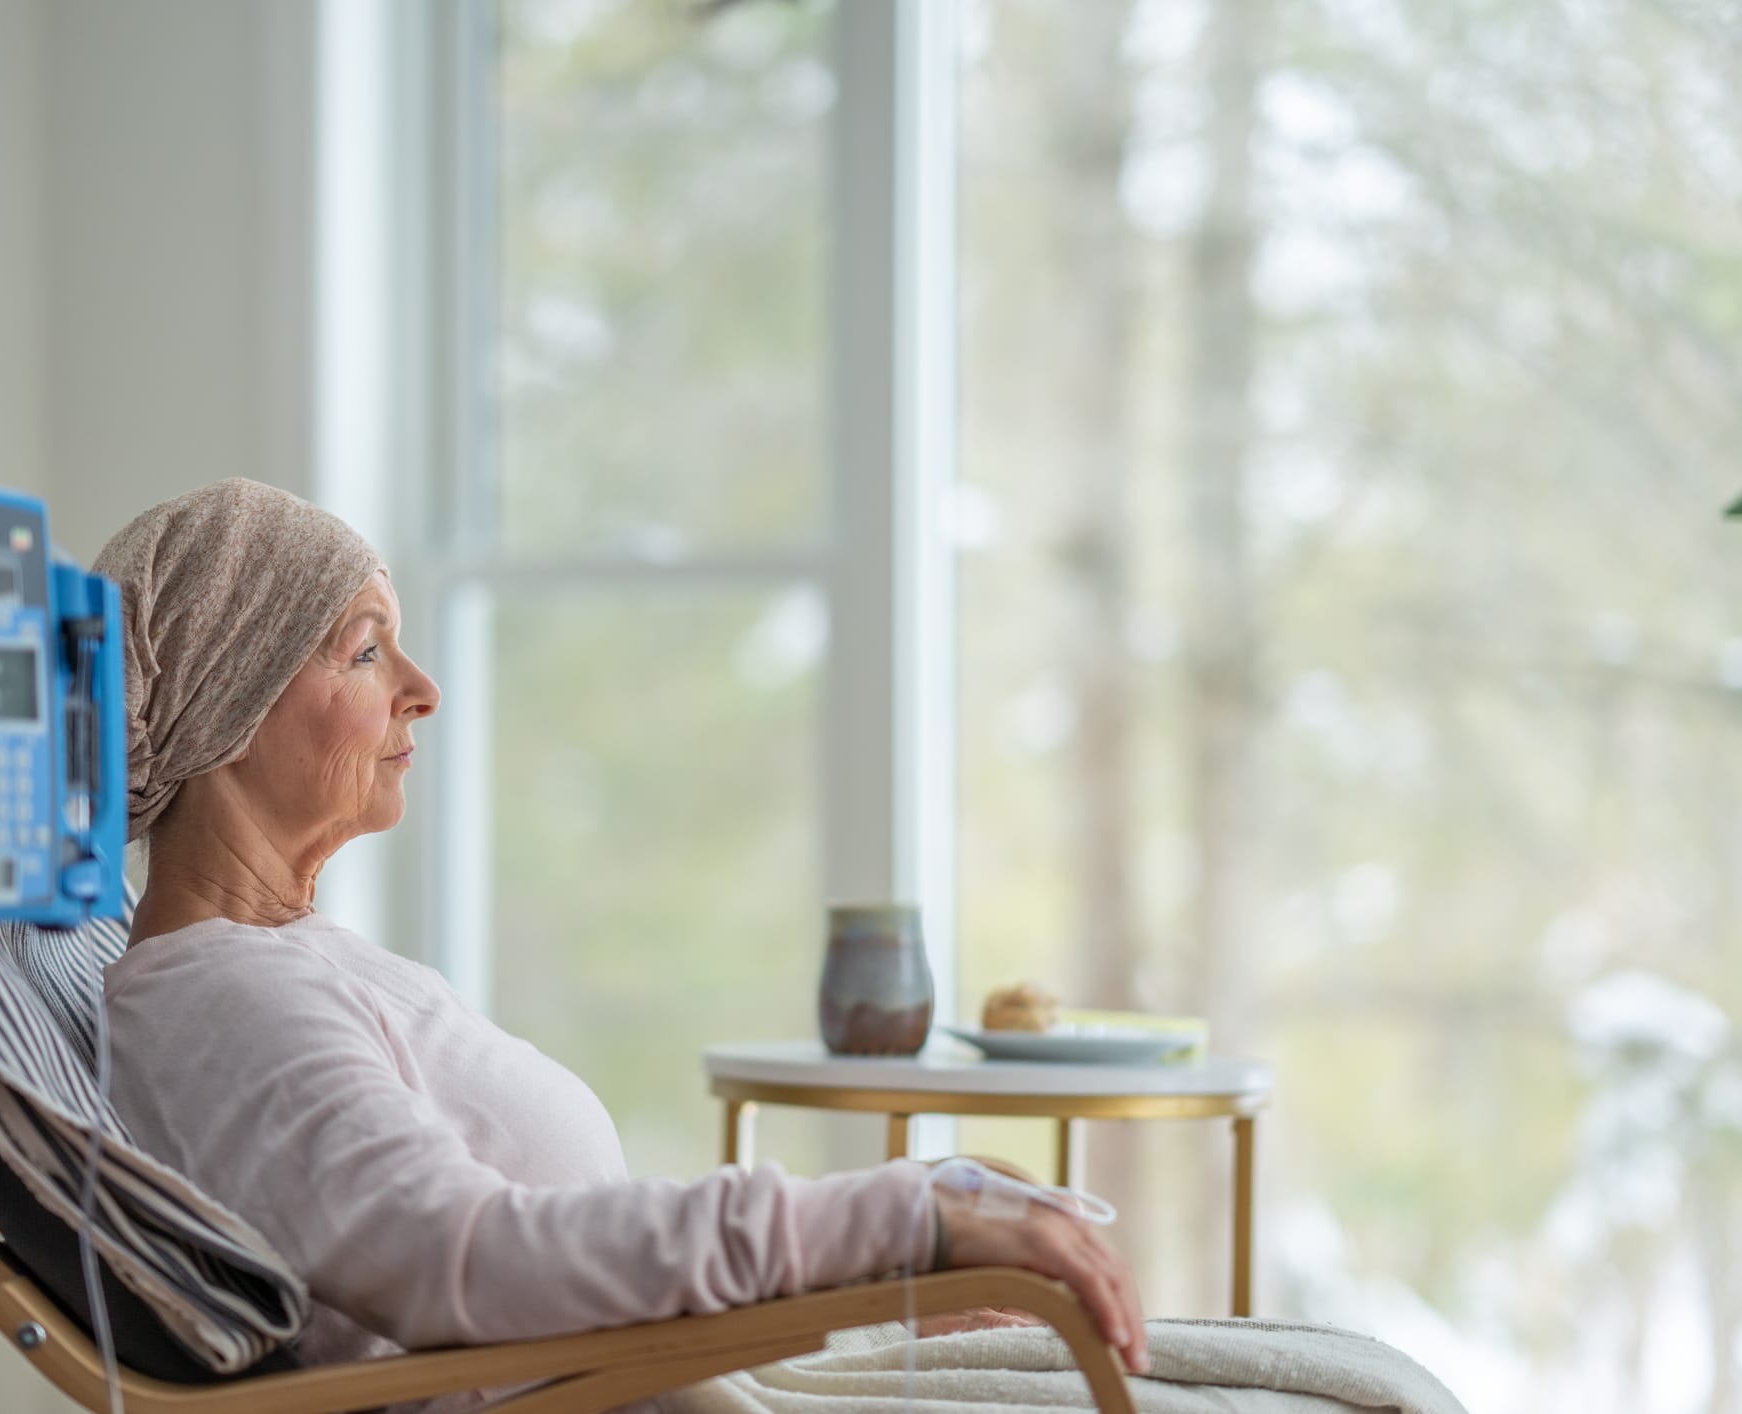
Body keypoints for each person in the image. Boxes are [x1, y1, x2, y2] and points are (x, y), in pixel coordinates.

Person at [92, 479, 1148, 1407]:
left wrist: (876, 1282)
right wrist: (906, 1220)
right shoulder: (222, 997)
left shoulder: (285, 958)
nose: (423, 686)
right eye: (366, 650)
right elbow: (466, 1263)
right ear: (227, 703)